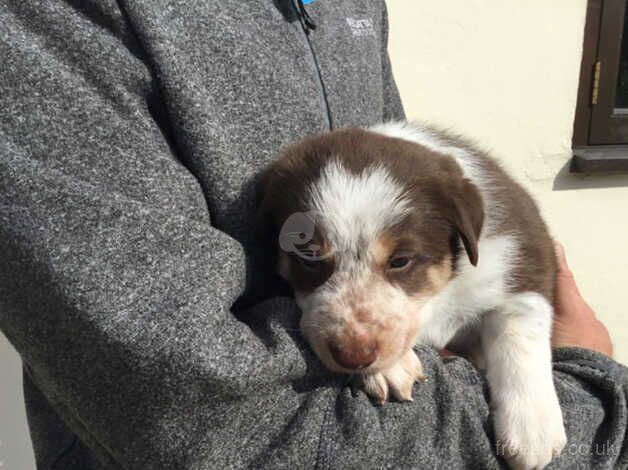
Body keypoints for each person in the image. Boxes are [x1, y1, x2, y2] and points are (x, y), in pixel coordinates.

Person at [0, 1, 626, 468]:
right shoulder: (48, 23)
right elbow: (201, 418)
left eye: (399, 263)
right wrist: (591, 402)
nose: (356, 330)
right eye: (312, 262)